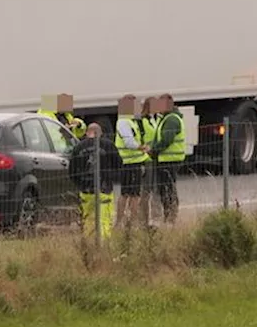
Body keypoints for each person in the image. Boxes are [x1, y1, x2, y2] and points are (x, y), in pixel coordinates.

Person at [69, 123, 120, 238]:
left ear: (87, 133)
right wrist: (110, 179)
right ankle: (104, 244)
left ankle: (89, 245)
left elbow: (72, 171)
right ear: (101, 133)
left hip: (86, 191)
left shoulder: (78, 148)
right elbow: (118, 165)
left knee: (88, 219)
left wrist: (81, 184)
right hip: (104, 189)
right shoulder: (108, 145)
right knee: (105, 219)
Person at [114, 94, 150, 227]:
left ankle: (125, 222)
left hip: (133, 163)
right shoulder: (124, 121)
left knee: (130, 194)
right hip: (130, 164)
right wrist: (142, 147)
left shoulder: (131, 120)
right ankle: (125, 222)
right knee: (131, 195)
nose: (139, 107)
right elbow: (129, 142)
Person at [148, 94, 184, 224]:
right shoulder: (167, 118)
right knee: (166, 188)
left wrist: (153, 150)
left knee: (167, 189)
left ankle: (170, 217)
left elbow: (166, 140)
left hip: (169, 160)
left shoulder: (171, 120)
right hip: (166, 159)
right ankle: (169, 216)